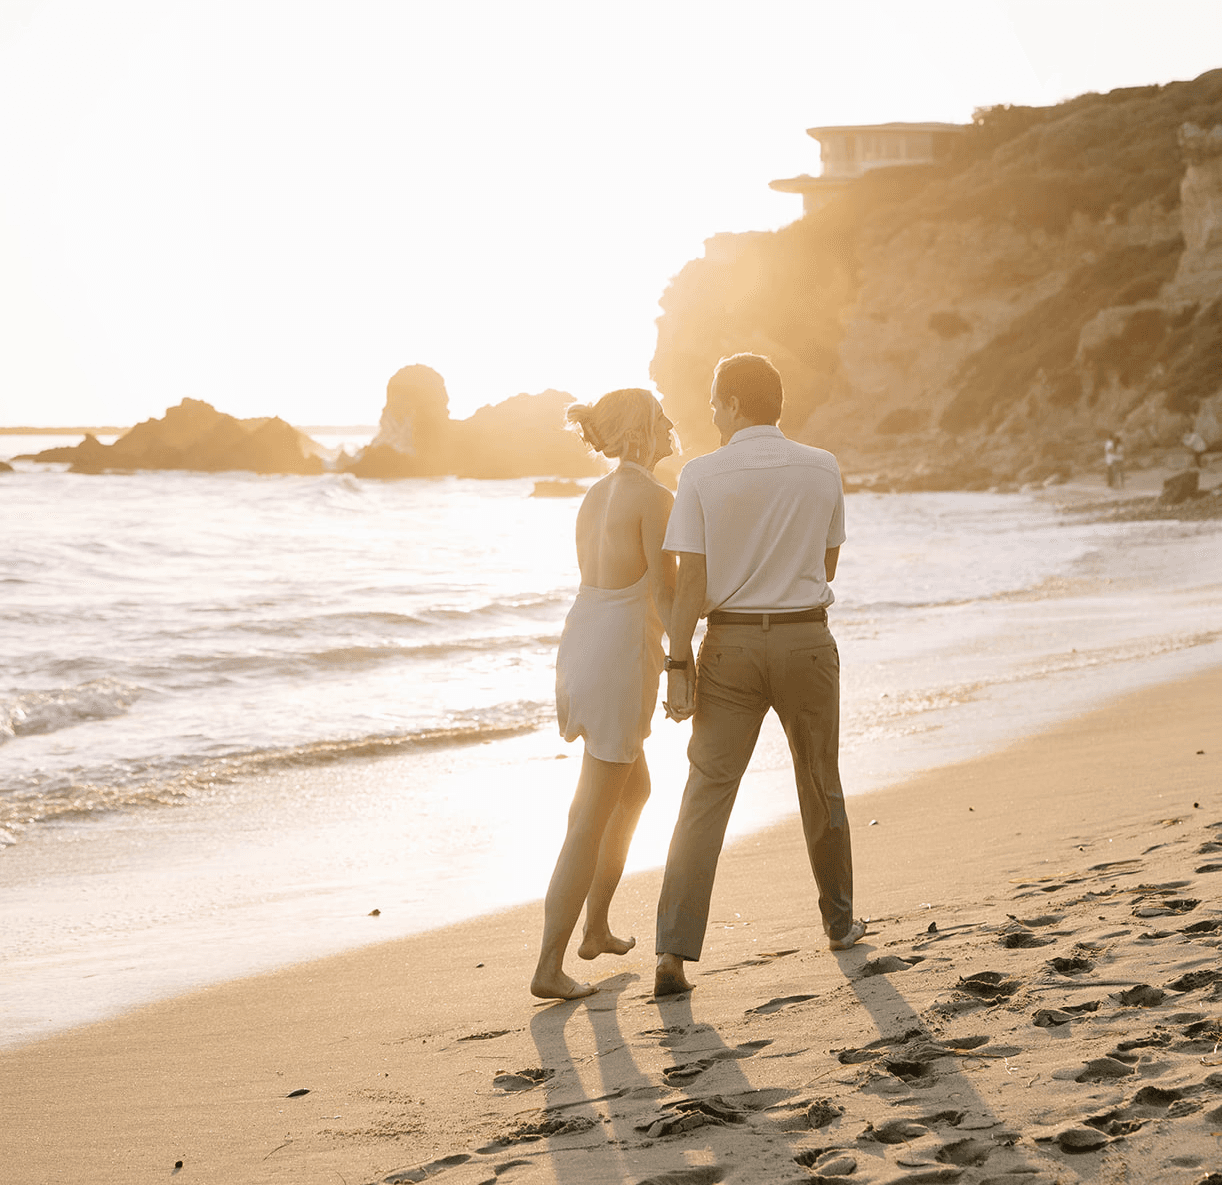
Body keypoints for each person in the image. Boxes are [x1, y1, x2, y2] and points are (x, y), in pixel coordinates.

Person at [653, 353, 864, 998]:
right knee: (820, 782)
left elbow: (692, 582)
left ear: (735, 403)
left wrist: (677, 662)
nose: (712, 413)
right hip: (805, 641)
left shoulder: (701, 475)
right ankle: (840, 925)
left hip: (731, 650)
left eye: (716, 402)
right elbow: (827, 566)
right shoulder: (821, 466)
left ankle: (673, 954)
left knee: (705, 795)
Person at [531, 388, 677, 1000]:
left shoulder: (594, 496)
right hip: (619, 657)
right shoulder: (655, 498)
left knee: (631, 789)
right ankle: (548, 967)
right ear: (645, 428)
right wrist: (686, 662)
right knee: (590, 817)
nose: (673, 426)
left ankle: (595, 929)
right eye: (664, 417)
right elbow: (666, 600)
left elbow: (604, 581)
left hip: (582, 643)